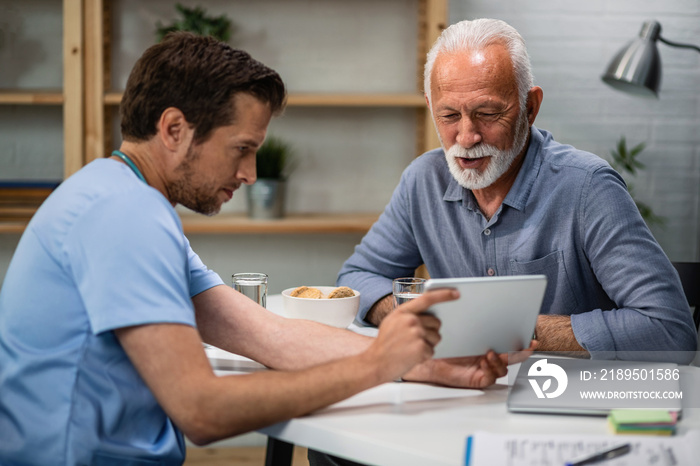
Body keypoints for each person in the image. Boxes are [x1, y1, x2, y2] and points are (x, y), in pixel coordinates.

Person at [0, 32, 524, 465]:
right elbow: (201, 411)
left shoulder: (125, 202)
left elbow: (269, 335)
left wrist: (423, 364)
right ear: (175, 129)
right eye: (243, 149)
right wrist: (373, 367)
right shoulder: (122, 215)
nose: (251, 173)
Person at [337, 18, 697, 362]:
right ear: (431, 108)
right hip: (465, 399)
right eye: (449, 116)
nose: (466, 137)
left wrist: (504, 326)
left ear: (531, 107)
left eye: (488, 114)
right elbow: (356, 280)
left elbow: (670, 330)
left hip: (568, 397)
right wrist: (422, 318)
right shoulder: (423, 179)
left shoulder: (589, 188)